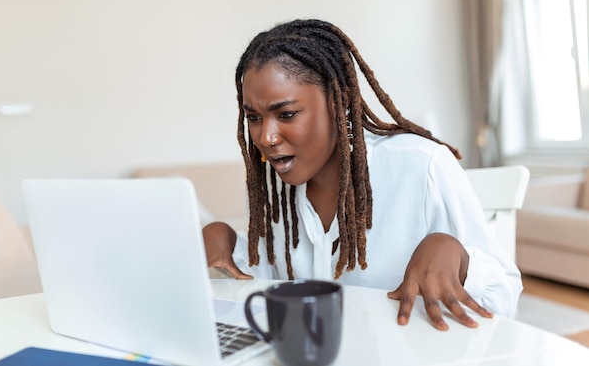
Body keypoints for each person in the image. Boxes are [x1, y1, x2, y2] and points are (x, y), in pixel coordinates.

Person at [202, 18, 522, 331]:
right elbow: (269, 288)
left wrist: (456, 256)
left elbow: (506, 298)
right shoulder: (273, 183)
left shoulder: (420, 165)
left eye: (286, 114)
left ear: (336, 100)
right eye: (254, 117)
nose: (265, 137)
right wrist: (230, 246)